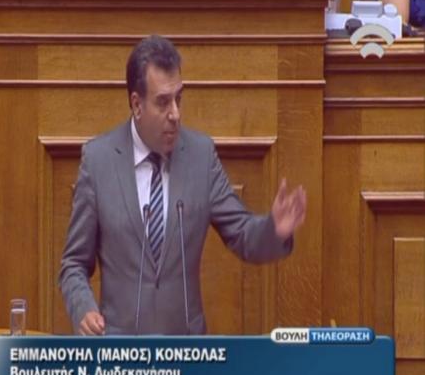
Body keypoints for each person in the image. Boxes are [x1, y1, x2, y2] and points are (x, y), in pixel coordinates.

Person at [59, 35, 306, 336]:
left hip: (188, 350)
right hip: (120, 351)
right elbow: (74, 263)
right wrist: (83, 309)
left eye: (179, 98)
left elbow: (242, 234)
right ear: (137, 104)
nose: (175, 114)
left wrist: (274, 230)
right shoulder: (99, 161)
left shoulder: (200, 156)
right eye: (163, 102)